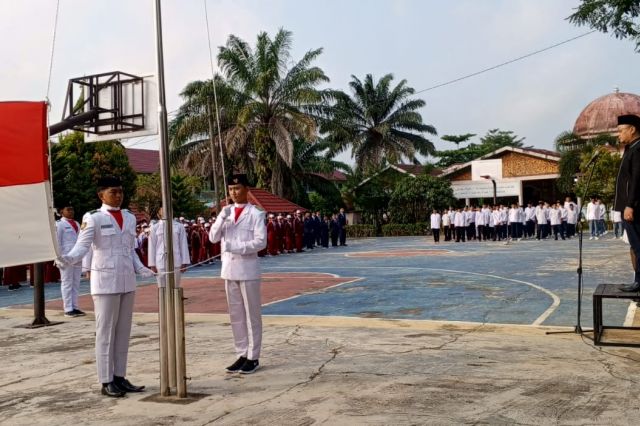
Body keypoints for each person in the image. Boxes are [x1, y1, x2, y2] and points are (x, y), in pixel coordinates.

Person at [60, 176, 153, 397]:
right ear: (101, 195)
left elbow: (129, 249)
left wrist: (142, 269)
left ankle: (120, 376)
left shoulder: (129, 218)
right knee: (105, 332)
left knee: (123, 332)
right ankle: (106, 380)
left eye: (121, 191)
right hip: (104, 282)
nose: (118, 195)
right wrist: (67, 259)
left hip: (126, 280)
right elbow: (82, 247)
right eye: (113, 192)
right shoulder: (93, 218)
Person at [209, 174, 267, 374]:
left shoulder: (256, 213)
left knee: (252, 315)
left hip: (248, 269)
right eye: (231, 189)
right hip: (229, 270)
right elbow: (213, 238)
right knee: (236, 316)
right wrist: (221, 217)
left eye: (238, 188)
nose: (234, 193)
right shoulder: (226, 212)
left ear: (246, 190)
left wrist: (237, 246)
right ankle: (241, 353)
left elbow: (261, 242)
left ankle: (253, 356)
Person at [614, 115, 640, 292]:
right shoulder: (631, 148)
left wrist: (629, 205)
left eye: (620, 131)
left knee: (638, 246)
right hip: (629, 206)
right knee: (635, 246)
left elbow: (637, 179)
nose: (618, 135)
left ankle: (639, 282)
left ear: (632, 129)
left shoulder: (638, 149)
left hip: (635, 207)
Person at [55, 202, 85, 317]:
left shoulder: (77, 223)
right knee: (67, 283)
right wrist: (59, 257)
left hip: (76, 256)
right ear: (61, 211)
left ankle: (75, 306)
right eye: (68, 209)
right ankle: (68, 308)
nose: (71, 211)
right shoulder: (59, 224)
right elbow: (57, 242)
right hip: (65, 257)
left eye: (72, 209)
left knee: (76, 283)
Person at [148, 207, 190, 288]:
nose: (166, 212)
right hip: (160, 262)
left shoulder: (179, 226)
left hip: (176, 261)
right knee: (162, 288)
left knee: (175, 287)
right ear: (159, 214)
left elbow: (183, 244)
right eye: (163, 211)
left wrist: (184, 262)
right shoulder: (154, 227)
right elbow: (152, 247)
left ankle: (175, 301)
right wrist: (152, 265)